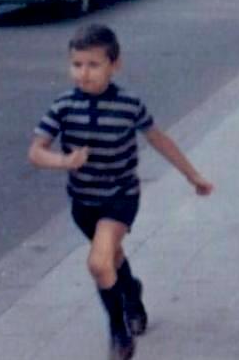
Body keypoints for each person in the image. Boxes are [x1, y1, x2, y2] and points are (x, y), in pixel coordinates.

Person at [28, 25, 213, 360]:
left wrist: (193, 175)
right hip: (83, 201)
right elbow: (36, 151)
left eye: (93, 65)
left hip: (120, 195)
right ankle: (132, 293)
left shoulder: (129, 105)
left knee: (99, 262)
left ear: (115, 65)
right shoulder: (64, 105)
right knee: (111, 259)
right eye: (77, 64)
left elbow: (159, 140)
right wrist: (64, 160)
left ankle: (119, 332)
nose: (83, 73)